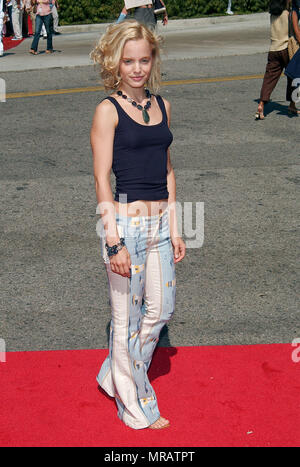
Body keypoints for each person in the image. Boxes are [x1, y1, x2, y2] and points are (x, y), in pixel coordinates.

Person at [90, 20, 185, 430]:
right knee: (125, 319)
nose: (137, 68)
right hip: (124, 226)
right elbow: (101, 179)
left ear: (153, 60)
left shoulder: (163, 106)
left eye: (144, 60)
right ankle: (135, 402)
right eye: (129, 61)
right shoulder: (107, 111)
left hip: (161, 223)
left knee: (162, 309)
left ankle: (117, 370)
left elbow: (167, 170)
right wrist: (113, 242)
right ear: (116, 62)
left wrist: (176, 227)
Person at [255, 0, 299, 119]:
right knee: (293, 76)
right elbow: (294, 31)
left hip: (273, 50)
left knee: (269, 78)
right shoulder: (288, 14)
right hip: (286, 49)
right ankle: (292, 104)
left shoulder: (272, 16)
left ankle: (261, 104)